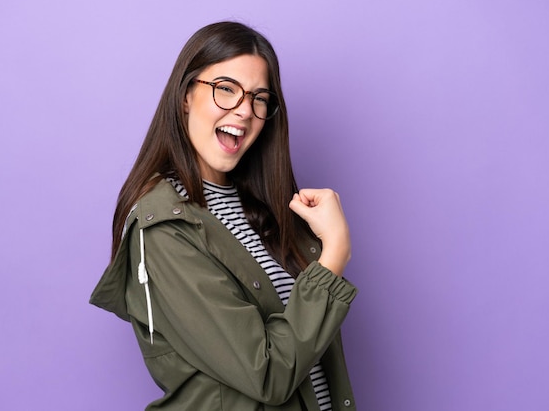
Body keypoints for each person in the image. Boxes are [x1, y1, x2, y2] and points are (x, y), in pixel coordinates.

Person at [90, 21, 358, 411]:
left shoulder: (265, 208)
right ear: (185, 96)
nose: (245, 111)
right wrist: (334, 254)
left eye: (259, 97)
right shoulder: (165, 230)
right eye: (226, 89)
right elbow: (267, 374)